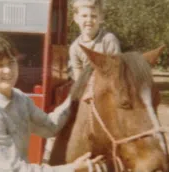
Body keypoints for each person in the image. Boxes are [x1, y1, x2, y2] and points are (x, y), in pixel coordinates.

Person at [0, 32, 103, 172]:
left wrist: (75, 95)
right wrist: (72, 170)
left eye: (11, 63)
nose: (8, 71)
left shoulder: (19, 98)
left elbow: (50, 127)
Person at [43, 0, 121, 163]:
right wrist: (86, 93)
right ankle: (49, 151)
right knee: (62, 112)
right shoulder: (75, 48)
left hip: (108, 87)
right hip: (86, 88)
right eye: (84, 16)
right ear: (76, 18)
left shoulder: (108, 40)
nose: (89, 20)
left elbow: (116, 71)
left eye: (94, 16)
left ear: (101, 19)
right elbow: (79, 78)